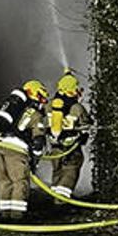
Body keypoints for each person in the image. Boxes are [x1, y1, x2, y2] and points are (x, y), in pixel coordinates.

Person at [0, 79, 49, 219]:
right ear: (34, 94)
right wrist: (35, 160)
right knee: (20, 182)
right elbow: (38, 141)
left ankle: (5, 215)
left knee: (4, 182)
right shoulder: (35, 114)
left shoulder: (13, 108)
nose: (42, 102)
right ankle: (17, 216)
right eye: (41, 97)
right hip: (16, 151)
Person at [47, 69, 92, 199]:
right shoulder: (77, 107)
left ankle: (55, 195)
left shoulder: (50, 105)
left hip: (54, 147)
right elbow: (87, 122)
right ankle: (61, 199)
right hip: (71, 147)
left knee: (57, 170)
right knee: (71, 169)